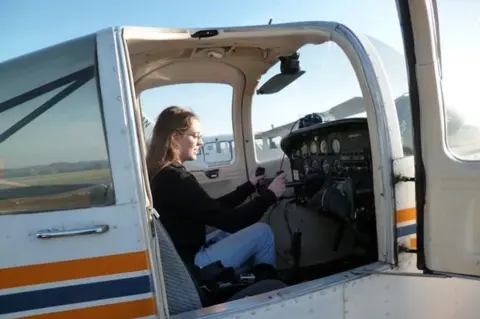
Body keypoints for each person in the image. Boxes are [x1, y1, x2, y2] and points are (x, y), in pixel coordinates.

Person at [147, 106, 286, 272]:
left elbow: (210, 208)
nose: (201, 142)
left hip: (184, 253)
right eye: (195, 136)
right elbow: (232, 222)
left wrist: (249, 187)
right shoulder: (177, 179)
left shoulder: (164, 174)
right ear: (175, 137)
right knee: (263, 233)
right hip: (191, 263)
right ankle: (267, 285)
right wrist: (270, 196)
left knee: (232, 233)